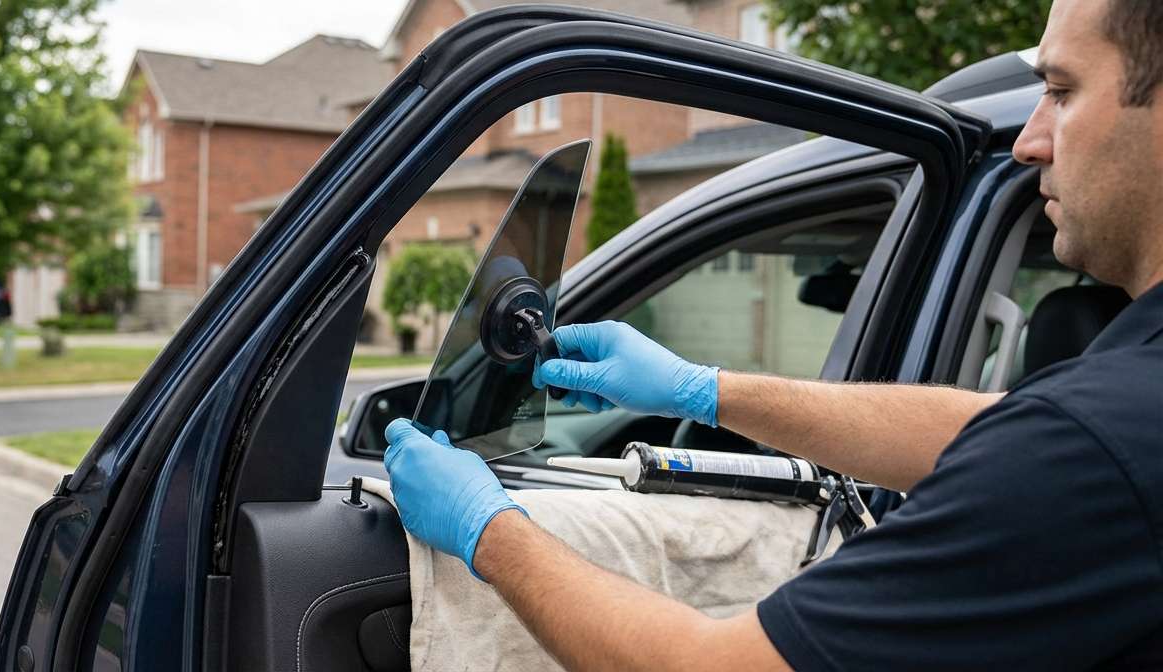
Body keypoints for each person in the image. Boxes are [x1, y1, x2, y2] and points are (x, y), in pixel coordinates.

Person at [381, 0, 1163, 669]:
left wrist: (488, 533)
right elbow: (991, 430)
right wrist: (703, 390)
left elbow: (713, 668)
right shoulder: (1123, 406)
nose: (1030, 139)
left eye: (1060, 90)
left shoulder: (1096, 447)